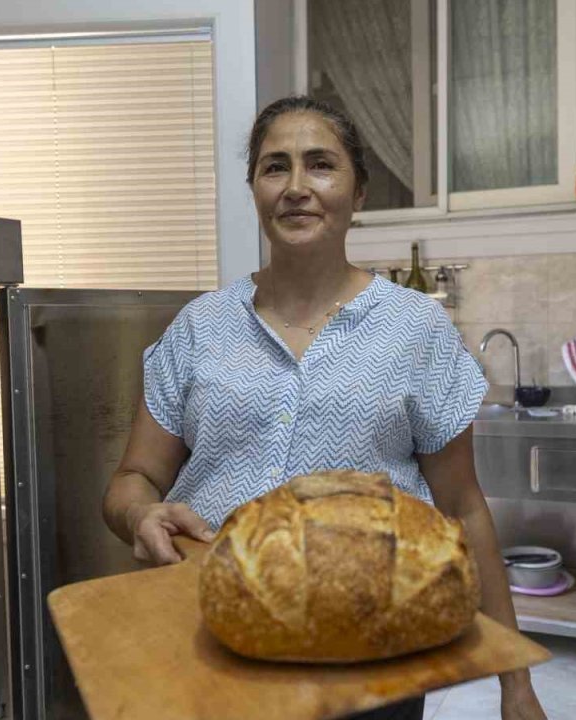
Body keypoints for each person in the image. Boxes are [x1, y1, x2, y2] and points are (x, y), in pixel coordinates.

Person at [102, 95, 546, 720]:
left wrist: (515, 683)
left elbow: (463, 507)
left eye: (321, 165)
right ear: (254, 188)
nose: (296, 187)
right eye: (274, 167)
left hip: (369, 656)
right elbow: (131, 480)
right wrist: (139, 516)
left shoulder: (415, 328)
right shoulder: (200, 327)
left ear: (358, 191)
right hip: (209, 635)